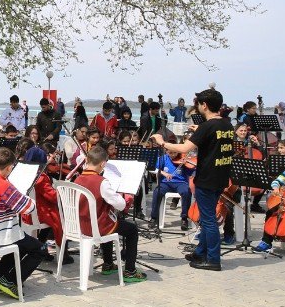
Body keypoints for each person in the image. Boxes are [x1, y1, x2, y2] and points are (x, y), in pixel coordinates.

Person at [152, 88, 234, 271]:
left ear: (204, 105)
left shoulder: (207, 126)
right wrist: (200, 131)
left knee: (208, 220)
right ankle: (200, 252)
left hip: (207, 178)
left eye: (198, 104)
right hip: (221, 177)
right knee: (207, 218)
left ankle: (213, 259)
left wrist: (162, 142)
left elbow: (183, 149)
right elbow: (214, 139)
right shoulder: (226, 125)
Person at [0, 147, 43, 299]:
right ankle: (10, 281)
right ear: (9, 167)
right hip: (2, 234)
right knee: (39, 249)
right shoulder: (5, 186)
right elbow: (28, 208)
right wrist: (26, 196)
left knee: (23, 244)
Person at [74, 146, 146, 283]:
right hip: (97, 227)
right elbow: (120, 205)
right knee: (132, 230)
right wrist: (119, 195)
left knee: (108, 221)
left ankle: (108, 263)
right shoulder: (102, 182)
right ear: (103, 164)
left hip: (81, 226)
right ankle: (130, 271)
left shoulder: (77, 180)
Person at [150, 146, 194, 231]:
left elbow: (191, 171)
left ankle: (184, 218)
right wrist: (164, 173)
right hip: (165, 183)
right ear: (166, 151)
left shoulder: (183, 158)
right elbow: (153, 168)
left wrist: (187, 165)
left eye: (175, 153)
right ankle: (154, 217)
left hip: (180, 183)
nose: (173, 155)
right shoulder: (163, 158)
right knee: (157, 192)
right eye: (170, 153)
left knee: (186, 192)